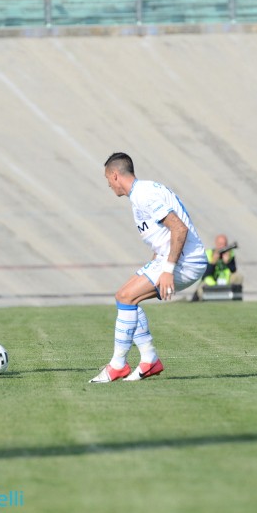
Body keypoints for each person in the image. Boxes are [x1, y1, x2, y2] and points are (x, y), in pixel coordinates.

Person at [90, 152, 208, 383]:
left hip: (186, 261)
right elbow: (163, 234)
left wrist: (167, 270)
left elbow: (179, 229)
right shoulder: (141, 193)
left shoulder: (144, 195)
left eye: (107, 178)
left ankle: (118, 365)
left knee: (126, 296)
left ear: (115, 175)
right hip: (170, 259)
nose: (108, 184)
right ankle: (148, 360)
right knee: (124, 297)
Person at [191, 234, 243, 301]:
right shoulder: (209, 253)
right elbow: (205, 275)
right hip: (211, 281)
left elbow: (234, 270)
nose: (223, 246)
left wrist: (228, 262)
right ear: (216, 244)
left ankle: (236, 298)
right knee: (201, 286)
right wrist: (213, 263)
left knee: (238, 277)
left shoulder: (230, 254)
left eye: (224, 244)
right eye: (220, 244)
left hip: (225, 280)